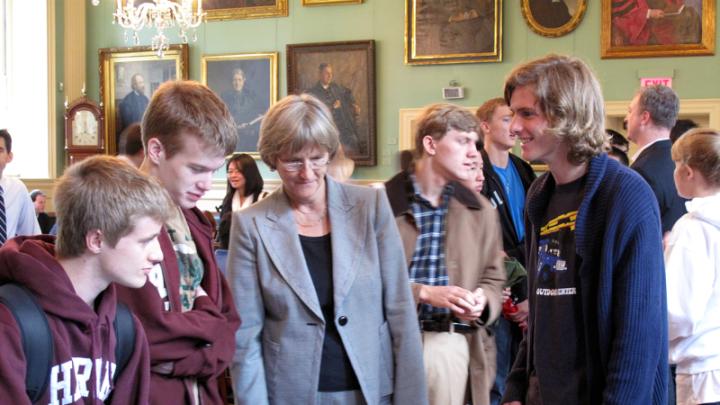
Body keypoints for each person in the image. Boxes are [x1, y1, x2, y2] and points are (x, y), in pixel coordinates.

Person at [229, 94, 428, 405]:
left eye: (317, 158)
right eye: (293, 161)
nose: (307, 173)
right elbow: (246, 338)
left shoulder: (371, 207)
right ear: (272, 159)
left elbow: (400, 311)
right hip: (290, 394)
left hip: (371, 389)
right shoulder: (250, 225)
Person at [500, 54, 667, 405]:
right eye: (513, 113)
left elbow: (638, 334)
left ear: (566, 114)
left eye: (527, 113)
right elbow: (544, 309)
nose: (513, 127)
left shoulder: (625, 195)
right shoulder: (539, 195)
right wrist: (516, 387)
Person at [0, 155, 172, 404]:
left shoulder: (124, 327)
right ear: (96, 240)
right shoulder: (11, 323)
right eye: (145, 240)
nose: (158, 255)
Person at [114, 80, 241, 405]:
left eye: (213, 171)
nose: (206, 185)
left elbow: (227, 323)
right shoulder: (116, 219)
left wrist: (206, 345)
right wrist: (206, 346)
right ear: (156, 150)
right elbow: (138, 336)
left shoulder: (196, 221)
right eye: (196, 169)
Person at [385, 103, 505, 405]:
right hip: (390, 342)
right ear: (430, 144)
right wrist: (423, 293)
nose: (474, 154)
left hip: (452, 343)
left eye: (475, 144)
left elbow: (493, 277)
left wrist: (482, 300)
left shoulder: (481, 210)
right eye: (462, 141)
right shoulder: (379, 205)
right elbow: (361, 282)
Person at [475, 98, 535, 405]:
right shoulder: (478, 171)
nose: (513, 127)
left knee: (524, 373)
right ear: (485, 126)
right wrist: (517, 294)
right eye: (505, 119)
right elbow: (488, 240)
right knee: (497, 377)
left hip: (529, 271)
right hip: (500, 283)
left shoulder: (524, 168)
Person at [664, 128, 720, 405]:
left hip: (703, 375)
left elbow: (679, 311)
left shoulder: (692, 229)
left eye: (675, 166)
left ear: (687, 172)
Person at [626, 84, 687, 234]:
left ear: (644, 118)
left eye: (630, 111)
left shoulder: (643, 171)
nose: (626, 117)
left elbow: (634, 232)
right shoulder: (683, 162)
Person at [307, 63, 362, 154]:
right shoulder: (313, 92)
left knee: (353, 140)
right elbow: (315, 113)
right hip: (325, 130)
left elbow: (348, 93)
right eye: (326, 73)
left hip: (341, 128)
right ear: (320, 74)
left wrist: (354, 104)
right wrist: (332, 107)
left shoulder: (335, 88)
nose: (330, 76)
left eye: (331, 73)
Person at [216, 153, 265, 250]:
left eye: (238, 171)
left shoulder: (262, 199)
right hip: (230, 253)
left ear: (249, 173)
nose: (233, 175)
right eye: (230, 172)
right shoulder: (228, 200)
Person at [0, 129, 41, 245]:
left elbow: (32, 235)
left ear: (9, 156)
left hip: (6, 260)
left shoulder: (17, 189)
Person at [221, 68, 266, 152]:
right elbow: (222, 117)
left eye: (239, 80)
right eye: (235, 80)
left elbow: (259, 115)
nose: (237, 83)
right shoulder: (225, 97)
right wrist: (235, 126)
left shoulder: (252, 97)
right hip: (232, 135)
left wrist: (249, 125)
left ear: (244, 80)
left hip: (248, 135)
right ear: (232, 81)